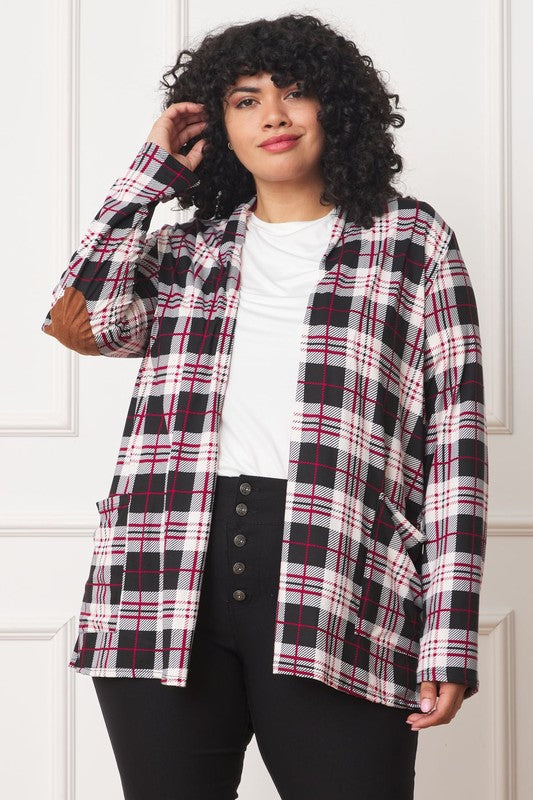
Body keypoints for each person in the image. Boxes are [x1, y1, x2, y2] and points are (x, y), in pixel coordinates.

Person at [41, 12, 489, 800]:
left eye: (295, 93)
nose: (273, 115)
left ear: (337, 110)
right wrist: (152, 174)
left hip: (338, 577)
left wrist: (448, 639)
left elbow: (453, 453)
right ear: (220, 125)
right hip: (162, 574)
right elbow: (91, 319)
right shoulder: (189, 249)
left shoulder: (412, 242)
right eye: (245, 100)